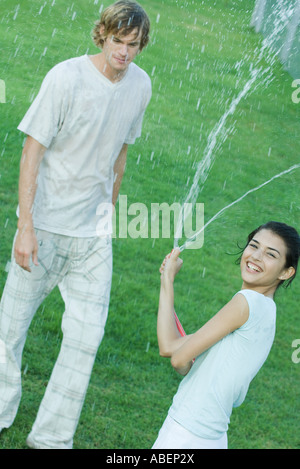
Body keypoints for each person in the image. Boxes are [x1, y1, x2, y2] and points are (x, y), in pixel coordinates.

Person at [0, 0, 151, 449]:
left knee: (86, 340)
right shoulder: (65, 78)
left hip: (93, 237)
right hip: (45, 227)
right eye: (117, 42)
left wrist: (109, 212)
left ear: (142, 45)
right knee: (10, 328)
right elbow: (32, 151)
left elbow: (121, 151)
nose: (124, 53)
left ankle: (50, 439)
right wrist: (26, 227)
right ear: (101, 35)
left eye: (133, 45)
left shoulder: (140, 86)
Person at [153, 221, 299, 449]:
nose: (256, 257)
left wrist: (188, 365)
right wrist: (167, 279)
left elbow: (178, 358)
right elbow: (169, 345)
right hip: (211, 437)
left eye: (271, 254)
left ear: (286, 272)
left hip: (186, 432)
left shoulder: (245, 303)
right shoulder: (267, 310)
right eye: (254, 246)